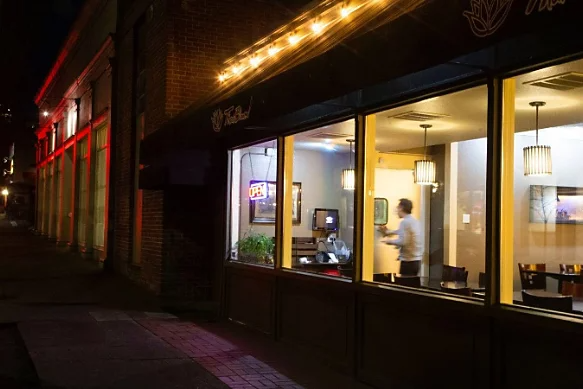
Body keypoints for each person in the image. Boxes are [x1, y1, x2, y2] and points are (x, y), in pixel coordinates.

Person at [378, 198, 423, 276]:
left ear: (401, 208)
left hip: (408, 262)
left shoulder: (404, 222)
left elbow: (402, 241)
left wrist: (389, 241)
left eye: (397, 208)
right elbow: (403, 232)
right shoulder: (414, 221)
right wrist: (388, 232)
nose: (397, 211)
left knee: (405, 284)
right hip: (416, 261)